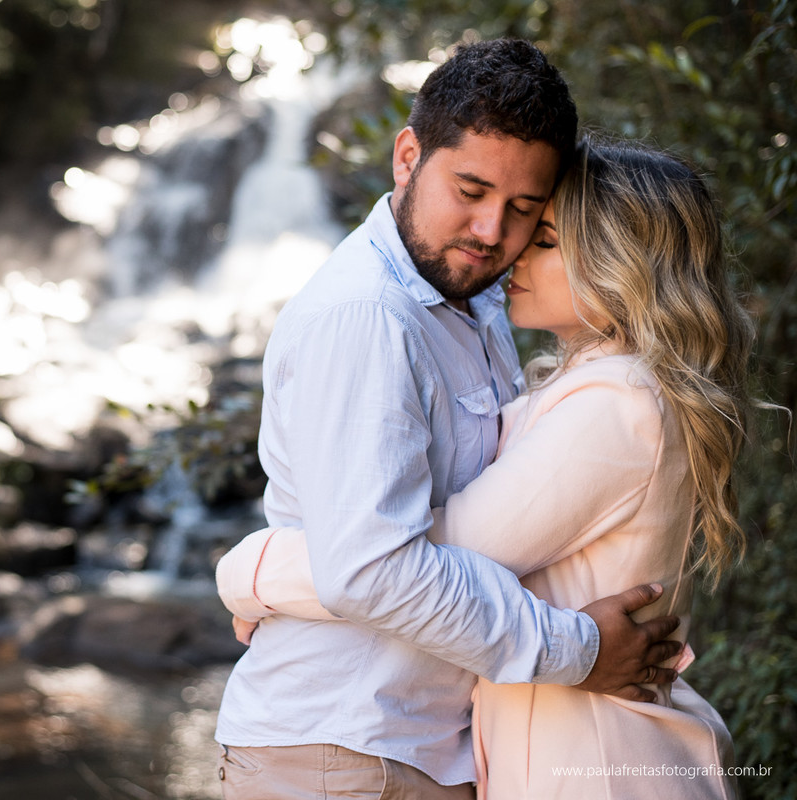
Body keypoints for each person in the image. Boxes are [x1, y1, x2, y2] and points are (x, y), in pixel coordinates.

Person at [213, 39, 684, 800]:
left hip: (429, 748)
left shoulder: (478, 296)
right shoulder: (368, 317)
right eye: (470, 190)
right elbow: (370, 569)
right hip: (341, 749)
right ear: (408, 158)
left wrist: (261, 573)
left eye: (524, 211)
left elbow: (438, 539)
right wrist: (579, 651)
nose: (492, 231)